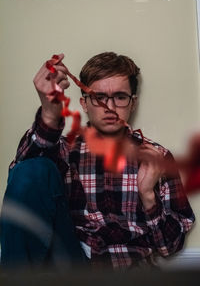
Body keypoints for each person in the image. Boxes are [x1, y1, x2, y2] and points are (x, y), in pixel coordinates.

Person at [0, 52, 195, 271]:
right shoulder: (63, 150)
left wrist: (148, 196)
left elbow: (171, 247)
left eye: (120, 97)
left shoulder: (157, 157)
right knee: (33, 168)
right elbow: (22, 183)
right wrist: (49, 114)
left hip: (135, 274)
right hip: (75, 269)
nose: (110, 107)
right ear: (84, 103)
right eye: (99, 97)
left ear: (133, 103)